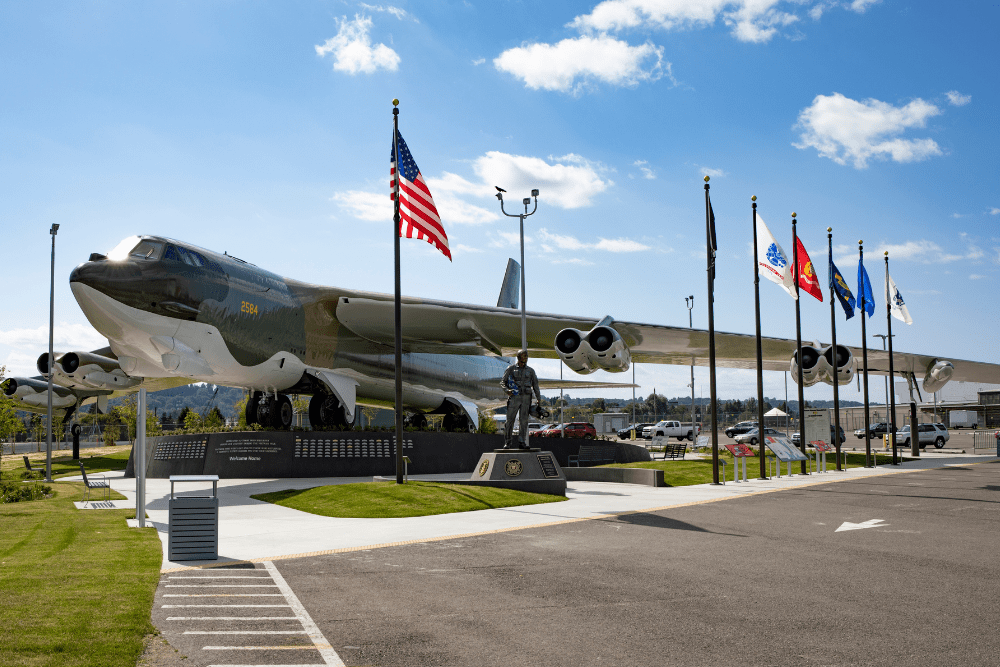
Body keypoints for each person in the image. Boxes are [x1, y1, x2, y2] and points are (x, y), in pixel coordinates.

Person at [501, 349, 541, 449]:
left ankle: (522, 442)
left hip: (526, 398)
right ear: (519, 357)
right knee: (509, 421)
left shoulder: (531, 371)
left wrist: (539, 399)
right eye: (524, 356)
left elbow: (536, 385)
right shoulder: (511, 368)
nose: (526, 358)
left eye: (527, 356)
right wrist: (507, 390)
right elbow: (502, 382)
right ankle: (508, 442)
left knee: (524, 421)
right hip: (514, 398)